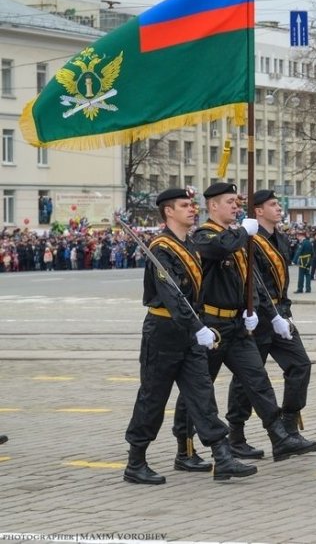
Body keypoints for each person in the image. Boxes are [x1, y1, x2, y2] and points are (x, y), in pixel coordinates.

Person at [172, 183, 315, 464]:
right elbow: (216, 249)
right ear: (213, 206)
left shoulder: (236, 236)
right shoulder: (204, 236)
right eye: (230, 202)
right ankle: (185, 447)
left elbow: (254, 281)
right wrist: (243, 233)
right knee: (199, 388)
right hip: (212, 326)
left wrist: (271, 314)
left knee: (257, 381)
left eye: (237, 202)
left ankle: (279, 436)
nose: (236, 207)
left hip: (238, 326)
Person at [124, 187, 257, 484]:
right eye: (184, 205)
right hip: (163, 333)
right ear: (168, 211)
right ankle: (136, 461)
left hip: (190, 332)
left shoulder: (191, 245)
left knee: (202, 395)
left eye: (192, 205)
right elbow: (172, 297)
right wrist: (198, 328)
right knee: (152, 398)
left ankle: (222, 457)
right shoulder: (162, 248)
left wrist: (200, 326)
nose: (192, 209)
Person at [225, 190, 316, 460]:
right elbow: (255, 283)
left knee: (300, 364)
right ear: (258, 211)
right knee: (248, 378)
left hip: (279, 313)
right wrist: (270, 314)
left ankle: (288, 427)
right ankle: (236, 435)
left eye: (278, 204)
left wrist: (284, 312)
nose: (279, 208)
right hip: (257, 316)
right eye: (273, 205)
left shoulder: (280, 238)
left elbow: (281, 283)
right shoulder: (249, 240)